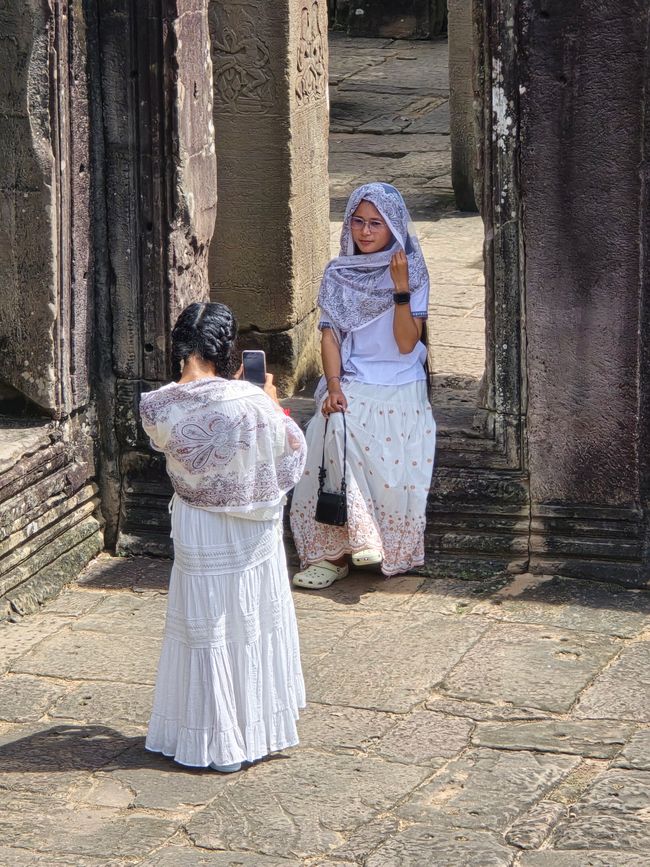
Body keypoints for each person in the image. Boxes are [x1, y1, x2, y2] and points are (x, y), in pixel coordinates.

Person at [140, 302, 307, 772]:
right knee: (251, 620)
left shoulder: (155, 406)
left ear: (180, 346)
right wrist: (270, 402)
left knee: (205, 627)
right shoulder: (251, 402)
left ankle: (209, 735)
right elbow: (291, 450)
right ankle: (253, 730)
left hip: (198, 524)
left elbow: (173, 441)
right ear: (226, 347)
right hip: (253, 524)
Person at [290, 182, 436, 588]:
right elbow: (330, 337)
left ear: (393, 226)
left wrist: (401, 290)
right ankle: (332, 555)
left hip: (400, 379)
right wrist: (334, 385)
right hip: (353, 377)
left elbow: (406, 344)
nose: (366, 232)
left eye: (376, 223)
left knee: (369, 437)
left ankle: (367, 537)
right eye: (358, 221)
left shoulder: (412, 271)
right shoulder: (338, 273)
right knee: (330, 427)